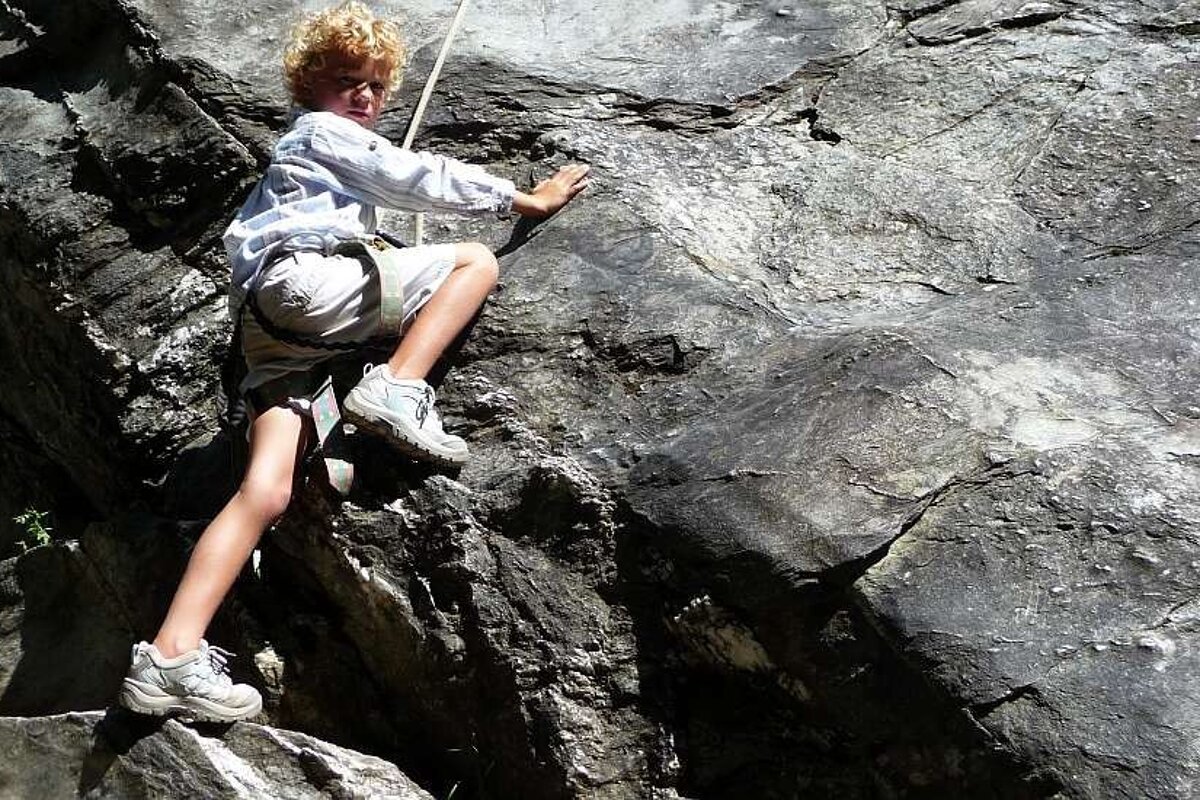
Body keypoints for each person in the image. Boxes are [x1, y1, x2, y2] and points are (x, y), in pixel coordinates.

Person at [117, 1, 589, 722]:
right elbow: (410, 177)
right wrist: (522, 199)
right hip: (306, 288)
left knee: (264, 493)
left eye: (373, 86)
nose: (364, 98)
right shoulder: (320, 132)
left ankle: (171, 656)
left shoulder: (307, 154)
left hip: (275, 332)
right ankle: (398, 388)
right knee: (473, 264)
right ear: (310, 86)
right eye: (347, 81)